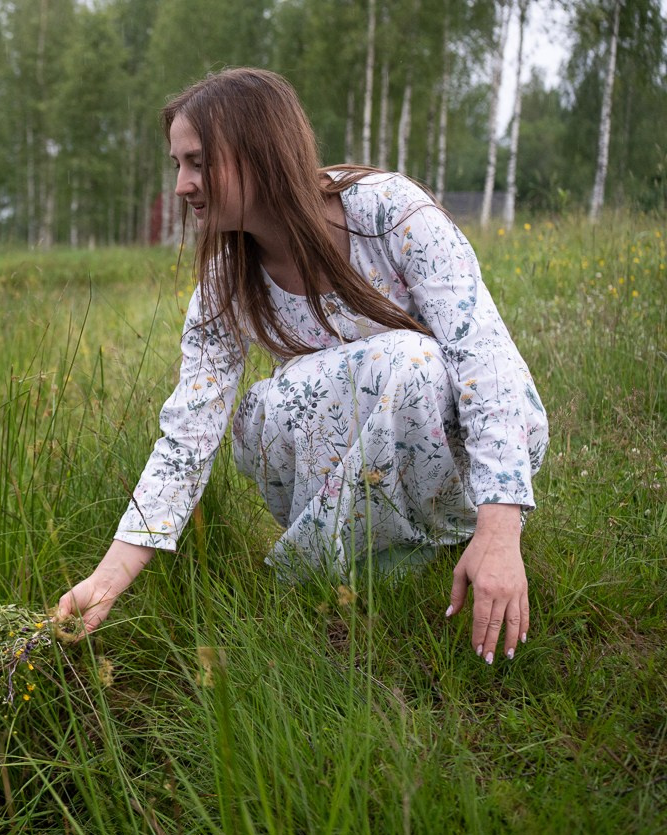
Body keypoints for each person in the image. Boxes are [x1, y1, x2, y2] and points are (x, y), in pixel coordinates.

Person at [55, 68, 548, 665]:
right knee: (266, 409)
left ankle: (452, 536)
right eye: (177, 165)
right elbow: (190, 430)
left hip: (471, 448)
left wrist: (501, 530)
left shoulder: (387, 211)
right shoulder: (225, 276)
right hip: (367, 460)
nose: (183, 185)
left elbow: (484, 359)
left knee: (408, 360)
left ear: (261, 153)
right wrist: (107, 580)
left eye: (199, 162)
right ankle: (357, 566)